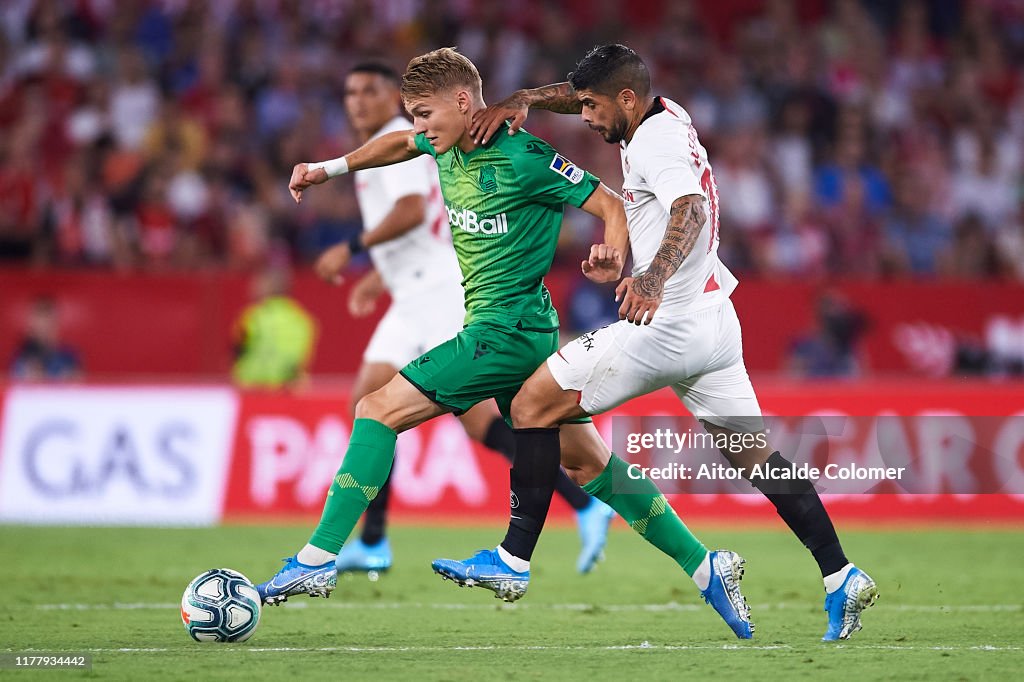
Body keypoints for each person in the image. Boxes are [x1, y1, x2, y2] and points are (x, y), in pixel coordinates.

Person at [255, 48, 754, 640]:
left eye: (423, 115)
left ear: (464, 104)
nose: (417, 130)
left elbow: (609, 202)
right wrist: (330, 168)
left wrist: (615, 251)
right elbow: (394, 147)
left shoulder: (523, 156)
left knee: (375, 409)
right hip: (524, 331)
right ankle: (706, 567)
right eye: (411, 118)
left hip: (504, 333)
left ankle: (317, 559)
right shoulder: (440, 146)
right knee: (588, 462)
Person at [462, 44, 876, 641]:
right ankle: (841, 575)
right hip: (714, 322)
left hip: (668, 324)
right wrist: (527, 98)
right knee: (754, 456)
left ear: (626, 100)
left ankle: (512, 560)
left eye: (593, 108)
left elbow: (689, 205)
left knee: (530, 405)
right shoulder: (665, 114)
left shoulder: (653, 141)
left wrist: (651, 276)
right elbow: (588, 95)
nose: (585, 118)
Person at [317, 61, 615, 577]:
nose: (356, 101)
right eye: (349, 92)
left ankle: (584, 510)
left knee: (473, 419)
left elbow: (413, 211)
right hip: (415, 294)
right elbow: (434, 210)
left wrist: (352, 249)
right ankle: (375, 540)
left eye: (368, 91)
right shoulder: (422, 136)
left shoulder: (436, 134)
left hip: (448, 297)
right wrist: (330, 173)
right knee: (376, 406)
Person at [232, 267, 317, 389]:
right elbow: (301, 361)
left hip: (251, 388)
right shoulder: (303, 320)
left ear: (268, 289)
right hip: (286, 388)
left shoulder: (253, 317)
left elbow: (237, 349)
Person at [9, 296, 81, 381]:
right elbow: (15, 384)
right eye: (39, 322)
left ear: (56, 324)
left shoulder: (69, 355)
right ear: (30, 326)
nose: (44, 327)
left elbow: (80, 383)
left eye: (48, 321)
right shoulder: (21, 357)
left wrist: (70, 378)